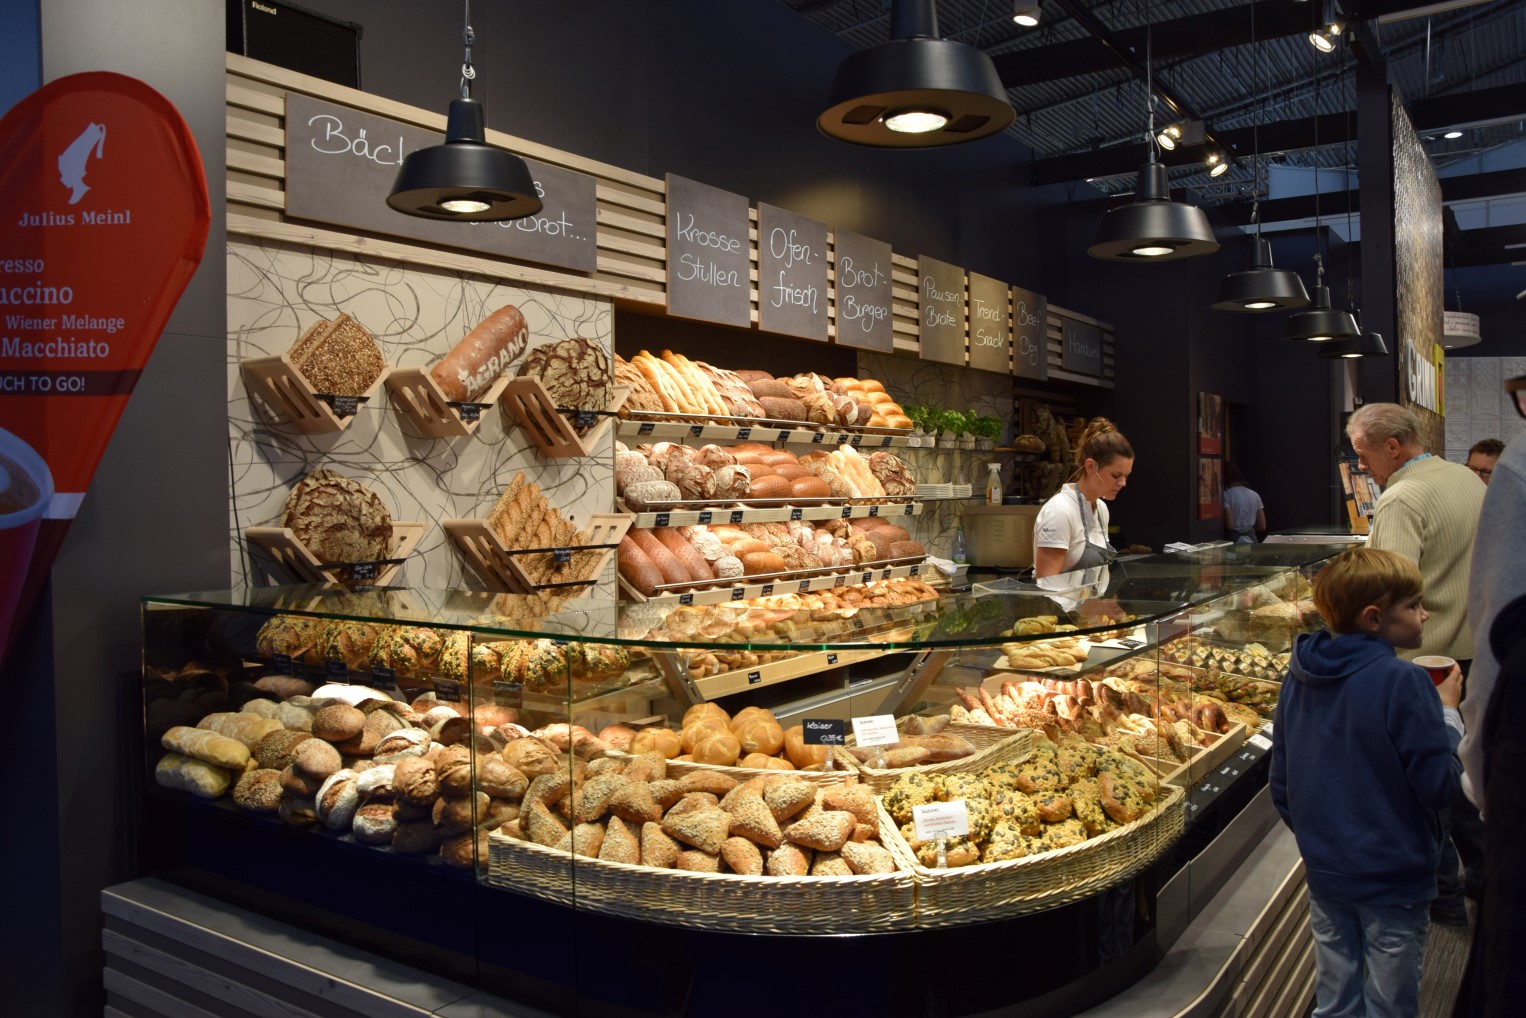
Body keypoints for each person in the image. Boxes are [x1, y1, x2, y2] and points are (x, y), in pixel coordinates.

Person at [1270, 547, 1464, 1018]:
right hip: (1394, 875)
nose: (1424, 614)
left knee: (1335, 997)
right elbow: (1439, 786)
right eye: (1414, 605)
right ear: (1374, 618)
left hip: (1326, 870)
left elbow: (1282, 782)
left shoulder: (1298, 676)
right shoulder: (1404, 682)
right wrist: (1448, 714)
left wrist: (1324, 843)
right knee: (1389, 1001)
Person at [1348, 401, 1486, 925]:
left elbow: (1388, 591)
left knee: (1425, 787)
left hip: (1422, 660)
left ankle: (1442, 897)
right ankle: (1488, 878)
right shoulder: (1465, 478)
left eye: (1364, 455)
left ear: (1392, 446)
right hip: (1471, 653)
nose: (1361, 467)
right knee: (1464, 771)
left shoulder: (1402, 497)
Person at [1032, 417, 1133, 579]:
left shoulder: (1101, 509)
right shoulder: (1059, 512)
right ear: (1091, 466)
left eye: (1126, 476)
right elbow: (1047, 584)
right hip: (1063, 598)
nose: (1123, 483)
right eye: (1116, 475)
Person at [1221, 462, 1266, 543]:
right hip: (1252, 539)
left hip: (1233, 540)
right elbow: (1262, 526)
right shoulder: (1255, 495)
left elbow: (1230, 525)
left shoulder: (1226, 495)